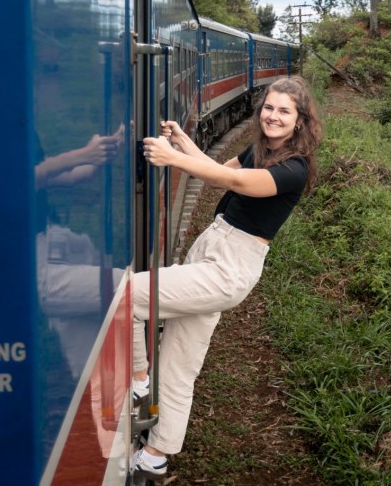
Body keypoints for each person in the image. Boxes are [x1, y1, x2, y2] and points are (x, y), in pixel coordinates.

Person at [130, 77, 323, 477]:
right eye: (269, 107)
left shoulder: (293, 168)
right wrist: (183, 142)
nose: (273, 115)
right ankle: (157, 454)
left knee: (131, 295)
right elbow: (216, 169)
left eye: (284, 111)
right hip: (212, 246)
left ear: (300, 121)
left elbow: (233, 182)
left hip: (230, 266)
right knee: (182, 360)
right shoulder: (260, 151)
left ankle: (138, 378)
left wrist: (171, 158)